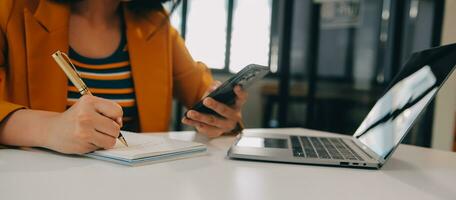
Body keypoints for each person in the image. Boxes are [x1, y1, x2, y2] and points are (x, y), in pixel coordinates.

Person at [0, 0, 247, 154]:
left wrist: (220, 116)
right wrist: (49, 129)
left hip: (136, 183)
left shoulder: (154, 21)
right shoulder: (10, 8)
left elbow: (201, 92)